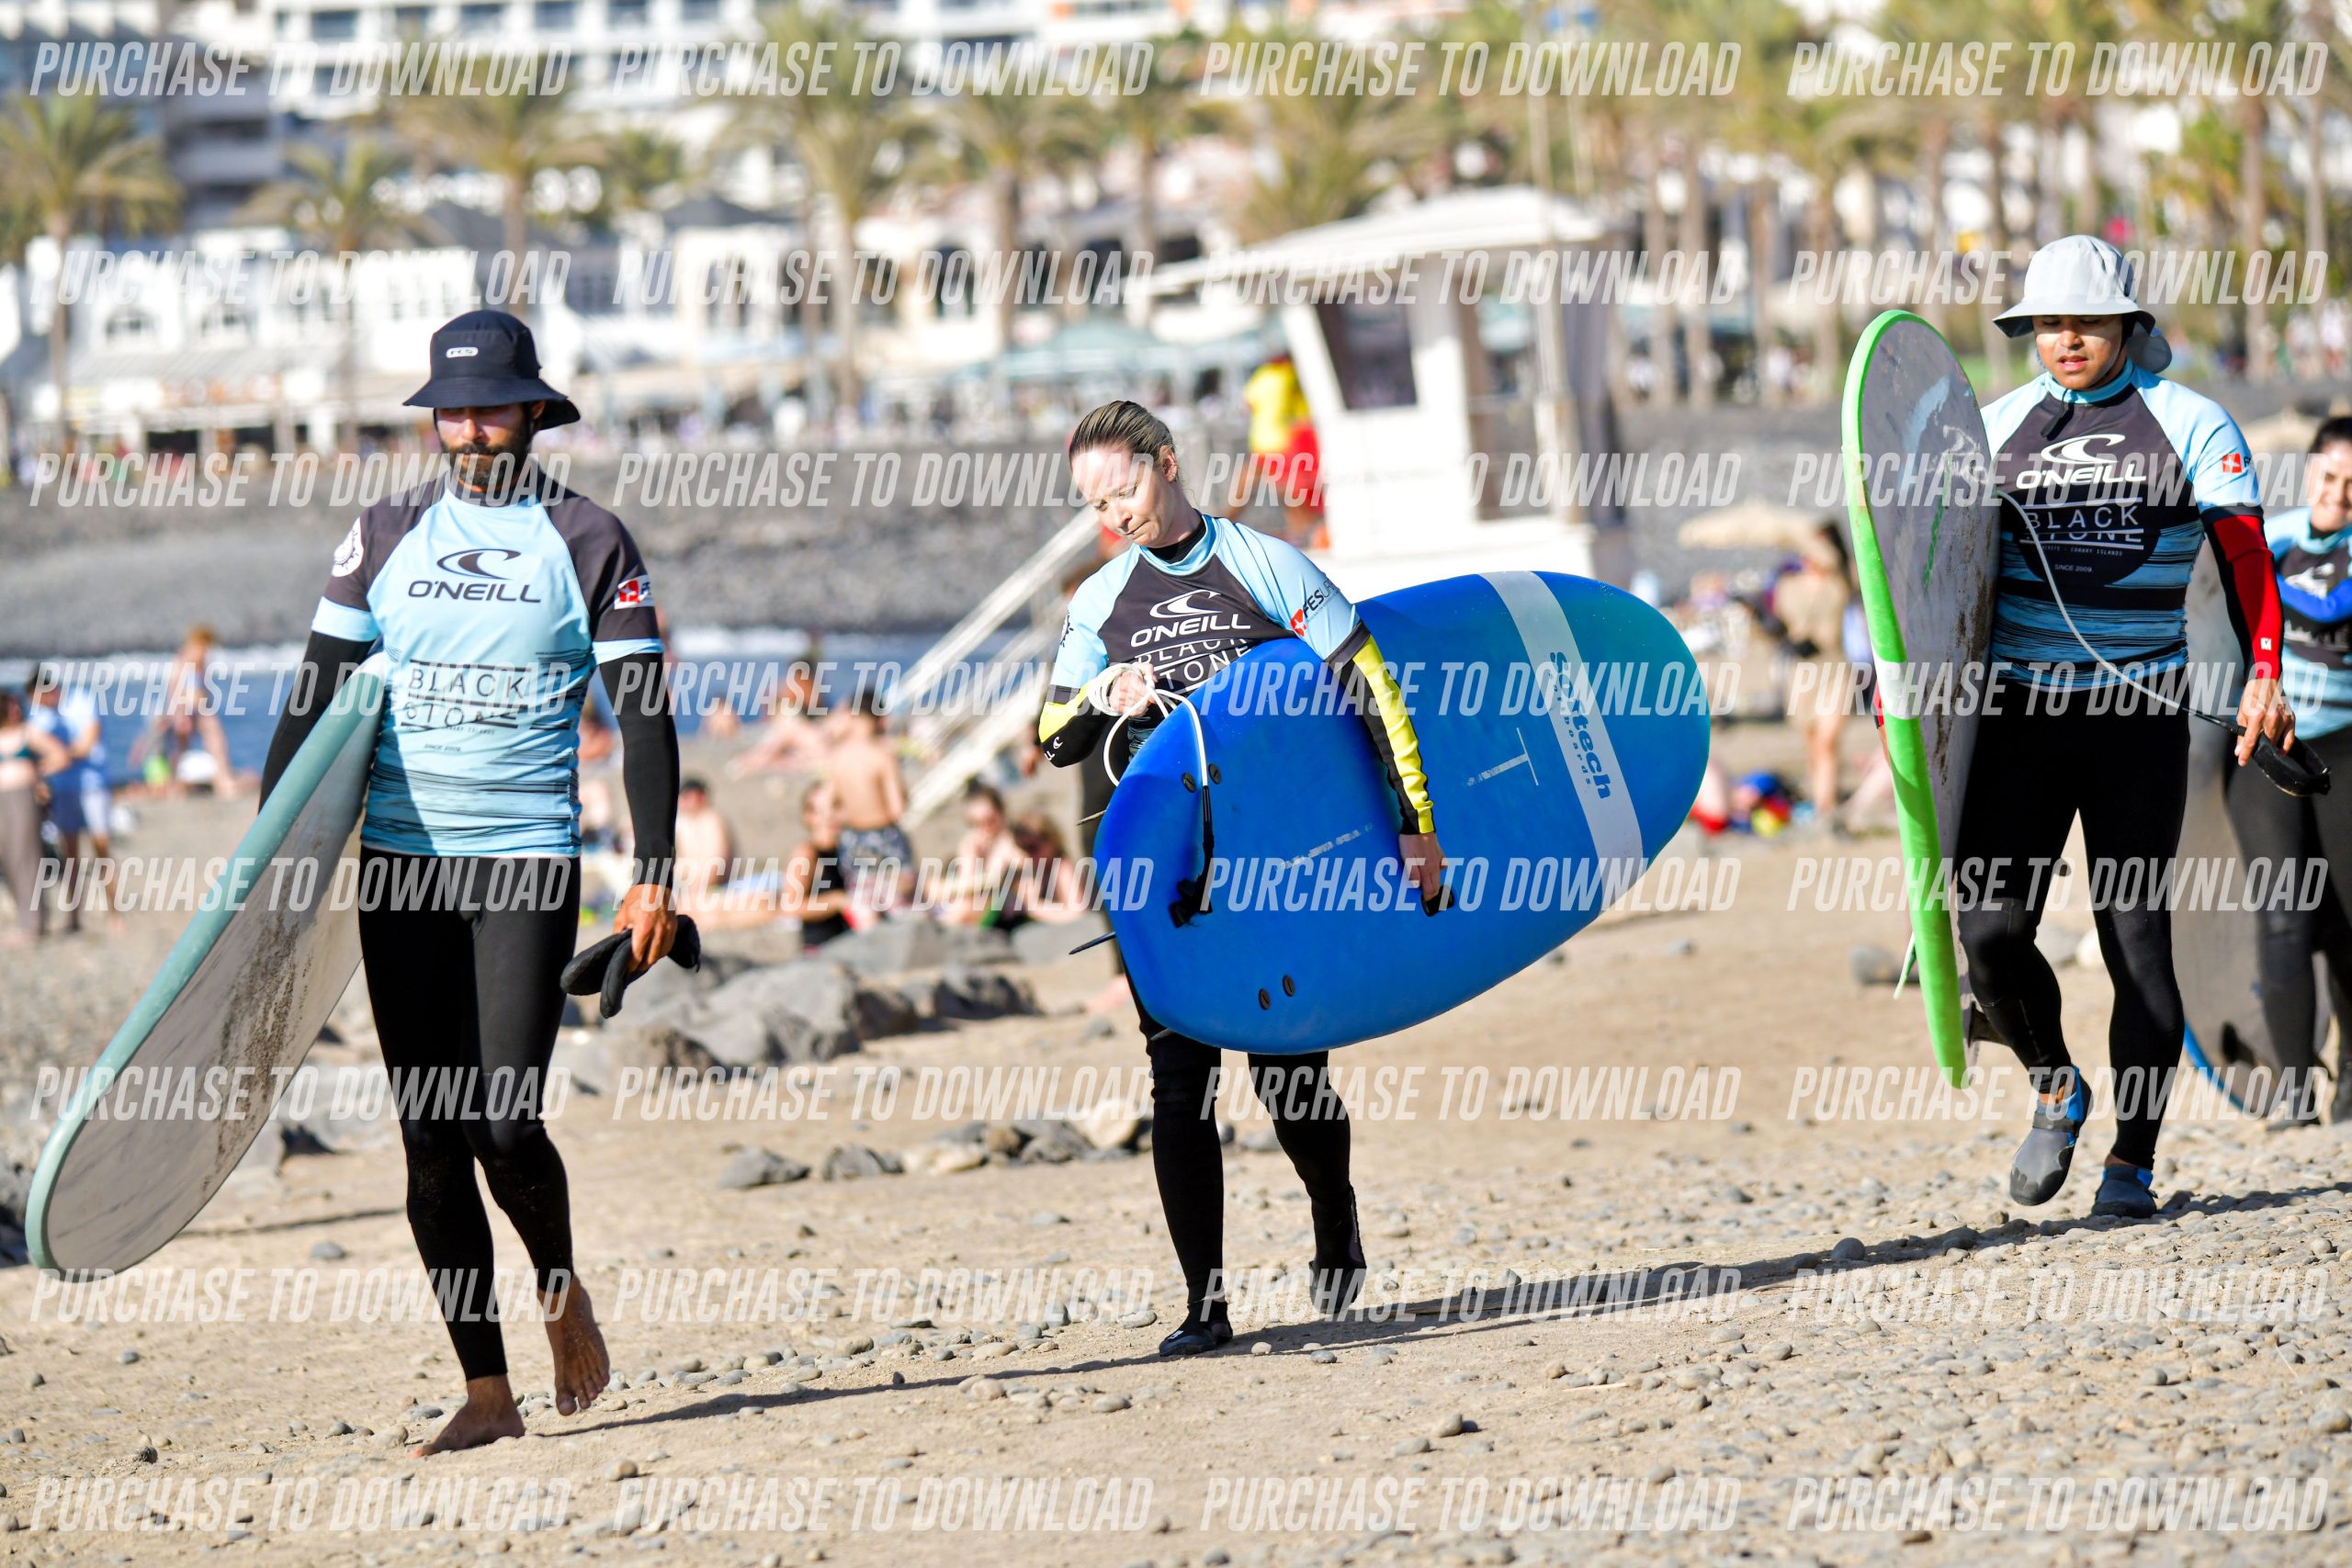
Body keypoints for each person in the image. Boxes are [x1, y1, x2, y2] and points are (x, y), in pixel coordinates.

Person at [260, 310, 680, 1455]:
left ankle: (559, 1285)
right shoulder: (383, 532)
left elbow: (643, 716)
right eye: (453, 410)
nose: (471, 429)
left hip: (525, 860)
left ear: (534, 411)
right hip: (400, 865)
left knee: (502, 1117)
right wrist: (265, 869)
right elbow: (314, 692)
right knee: (430, 1136)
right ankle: (487, 1392)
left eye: (491, 407)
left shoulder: (589, 539)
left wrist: (652, 876)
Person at [1039, 399, 1443, 1356]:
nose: (1116, 514)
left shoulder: (1264, 563)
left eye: (1125, 489)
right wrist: (1101, 692)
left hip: (1273, 863)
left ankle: (1333, 1207)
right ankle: (1205, 1306)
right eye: (1097, 504)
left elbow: (1369, 684)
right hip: (1165, 874)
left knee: (1287, 1071)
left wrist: (1415, 826)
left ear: (1167, 463)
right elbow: (1054, 736)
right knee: (1177, 1078)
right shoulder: (1099, 602)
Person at [1962, 236, 2291, 1221]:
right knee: (1989, 933)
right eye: (2048, 324)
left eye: (2088, 323)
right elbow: (1932, 577)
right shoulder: (1993, 428)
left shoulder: (2190, 421)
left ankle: (2131, 1162)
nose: (2067, 339)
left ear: (2127, 325)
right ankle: (2055, 1086)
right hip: (2016, 716)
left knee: (2137, 943)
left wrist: (2264, 673)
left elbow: (2244, 558)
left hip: (2137, 717)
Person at [2226, 416, 2352, 1125]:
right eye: (2330, 476)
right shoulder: (2267, 541)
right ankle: (2296, 1089)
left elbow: (2331, 603)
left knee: (2346, 921)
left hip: (2345, 751)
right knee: (2282, 915)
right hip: (2267, 751)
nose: (2339, 494)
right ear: (2309, 473)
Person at [28, 663, 121, 933]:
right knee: (70, 854)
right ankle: (75, 916)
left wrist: (54, 761)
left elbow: (87, 744)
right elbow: (37, 749)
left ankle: (114, 912)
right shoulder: (40, 715)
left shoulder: (82, 701)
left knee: (101, 847)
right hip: (64, 789)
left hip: (92, 785)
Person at [1227, 352, 1325, 548]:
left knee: (1255, 490)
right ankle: (1310, 531)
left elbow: (1248, 404)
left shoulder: (1263, 375)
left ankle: (1224, 525)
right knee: (1288, 492)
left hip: (1263, 442)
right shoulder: (1292, 375)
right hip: (1284, 442)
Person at [824, 688, 910, 910]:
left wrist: (849, 815)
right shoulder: (882, 757)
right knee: (899, 900)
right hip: (885, 836)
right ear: (880, 719)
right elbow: (898, 809)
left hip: (853, 838)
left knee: (863, 901)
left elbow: (826, 806)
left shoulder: (838, 758)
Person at [0, 690, 73, 947]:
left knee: (27, 859)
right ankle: (24, 920)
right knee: (7, 859)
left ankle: (34, 925)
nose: (15, 711)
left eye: (17, 706)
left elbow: (60, 755)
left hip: (23, 800)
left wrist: (38, 772)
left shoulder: (27, 732)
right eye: (10, 707)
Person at [781, 780, 854, 948]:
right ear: (808, 816)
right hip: (821, 949)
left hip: (851, 943)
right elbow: (791, 907)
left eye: (836, 807)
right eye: (819, 811)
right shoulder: (806, 853)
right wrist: (837, 901)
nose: (830, 817)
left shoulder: (848, 850)